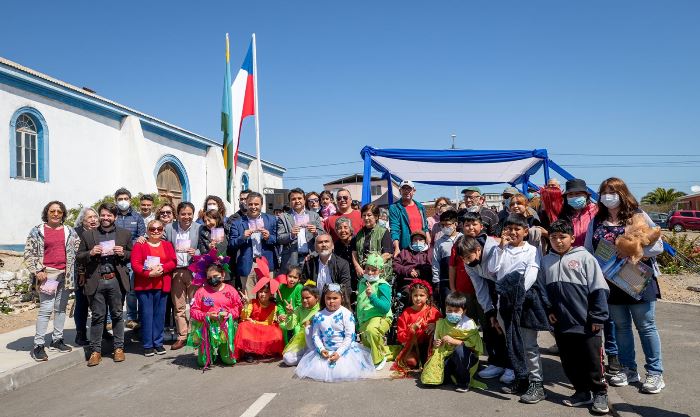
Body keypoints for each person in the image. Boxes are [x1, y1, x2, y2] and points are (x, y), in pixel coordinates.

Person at [584, 177, 665, 394]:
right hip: (611, 283)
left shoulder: (637, 215)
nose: (607, 195)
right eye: (604, 191)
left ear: (622, 193)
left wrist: (630, 252)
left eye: (612, 191)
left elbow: (658, 246)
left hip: (638, 279)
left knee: (646, 327)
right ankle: (629, 369)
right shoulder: (597, 220)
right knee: (621, 328)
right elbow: (588, 250)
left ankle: (655, 373)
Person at [542, 220, 610, 414]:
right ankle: (581, 392)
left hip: (587, 323)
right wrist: (549, 311)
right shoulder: (546, 261)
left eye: (562, 237)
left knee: (593, 361)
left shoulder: (585, 258)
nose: (558, 241)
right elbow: (543, 292)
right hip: (562, 324)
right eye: (553, 237)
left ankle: (599, 393)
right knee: (569, 361)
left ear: (572, 238)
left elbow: (599, 288)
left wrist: (598, 317)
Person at [488, 213, 549, 401]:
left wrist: (518, 293)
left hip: (524, 303)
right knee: (513, 343)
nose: (513, 232)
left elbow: (532, 273)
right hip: (504, 303)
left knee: (529, 345)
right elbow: (492, 270)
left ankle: (537, 384)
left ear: (525, 231)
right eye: (509, 229)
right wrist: (500, 247)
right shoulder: (501, 249)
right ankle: (522, 377)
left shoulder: (531, 250)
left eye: (517, 229)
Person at [454, 218, 511, 383]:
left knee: (506, 327)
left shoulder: (494, 249)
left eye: (469, 257)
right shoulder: (468, 262)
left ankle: (512, 366)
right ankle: (497, 362)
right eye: (463, 259)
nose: (467, 261)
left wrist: (499, 310)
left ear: (478, 250)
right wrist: (490, 311)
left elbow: (500, 276)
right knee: (491, 325)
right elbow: (480, 287)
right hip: (491, 289)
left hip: (506, 288)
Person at [77, 202, 133, 366]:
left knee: (117, 315)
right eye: (103, 214)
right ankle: (95, 351)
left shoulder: (124, 234)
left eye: (109, 215)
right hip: (96, 280)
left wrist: (123, 253)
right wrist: (90, 253)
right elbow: (79, 256)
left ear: (115, 217)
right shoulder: (89, 235)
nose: (105, 218)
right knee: (97, 316)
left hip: (115, 280)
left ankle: (118, 348)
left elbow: (131, 254)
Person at [25, 201, 81, 361]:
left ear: (63, 214)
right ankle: (38, 345)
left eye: (59, 211)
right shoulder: (38, 231)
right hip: (49, 275)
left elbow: (77, 248)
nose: (56, 214)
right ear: (47, 213)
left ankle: (57, 339)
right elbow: (29, 253)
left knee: (61, 308)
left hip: (66, 275)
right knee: (46, 309)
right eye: (52, 211)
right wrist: (37, 270)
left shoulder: (69, 231)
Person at [295, 283, 375, 382]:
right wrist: (321, 349)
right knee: (319, 370)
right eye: (328, 298)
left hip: (344, 351)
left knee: (344, 371)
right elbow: (316, 335)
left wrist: (339, 353)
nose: (331, 301)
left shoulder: (346, 314)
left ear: (341, 298)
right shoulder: (319, 315)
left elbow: (349, 336)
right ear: (323, 298)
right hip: (326, 351)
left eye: (335, 298)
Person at [420, 291, 485, 392]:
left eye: (456, 311)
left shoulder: (469, 324)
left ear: (464, 311)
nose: (452, 313)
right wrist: (436, 344)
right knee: (438, 379)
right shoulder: (441, 323)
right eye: (449, 310)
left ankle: (463, 383)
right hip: (448, 356)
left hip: (467, 357)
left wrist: (454, 341)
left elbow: (474, 347)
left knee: (460, 350)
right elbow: (436, 344)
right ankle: (452, 375)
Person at [130, 219, 177, 356]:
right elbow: (135, 264)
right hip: (145, 284)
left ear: (162, 231)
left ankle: (158, 342)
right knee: (146, 315)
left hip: (162, 285)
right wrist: (149, 273)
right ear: (147, 231)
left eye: (159, 229)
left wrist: (162, 269)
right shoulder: (140, 245)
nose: (156, 231)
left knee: (160, 315)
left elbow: (173, 261)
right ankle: (147, 344)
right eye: (152, 229)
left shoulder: (167, 245)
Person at [188, 263, 243, 368]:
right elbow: (193, 310)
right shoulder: (201, 292)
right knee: (203, 362)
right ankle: (210, 352)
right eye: (209, 277)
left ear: (222, 275)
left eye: (215, 276)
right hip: (207, 328)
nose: (212, 279)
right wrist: (206, 315)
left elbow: (238, 308)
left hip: (226, 328)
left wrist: (228, 314)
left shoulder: (231, 290)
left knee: (229, 361)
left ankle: (224, 353)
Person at [164, 201, 201, 350]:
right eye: (183, 214)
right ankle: (182, 336)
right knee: (178, 306)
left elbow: (204, 248)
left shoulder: (199, 228)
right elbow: (162, 246)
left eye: (189, 214)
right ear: (177, 215)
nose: (186, 217)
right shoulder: (169, 228)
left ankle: (195, 335)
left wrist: (197, 252)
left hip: (193, 270)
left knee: (194, 305)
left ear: (193, 214)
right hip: (177, 271)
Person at [229, 192, 278, 298]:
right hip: (248, 265)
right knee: (249, 300)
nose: (253, 207)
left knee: (268, 298)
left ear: (262, 204)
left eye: (256, 204)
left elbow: (278, 240)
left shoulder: (271, 219)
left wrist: (268, 237)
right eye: (250, 204)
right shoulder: (237, 223)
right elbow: (231, 245)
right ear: (246, 204)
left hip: (267, 264)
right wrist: (242, 237)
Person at [392, 279, 441, 376]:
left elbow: (444, 326)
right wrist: (411, 329)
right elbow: (401, 337)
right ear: (411, 296)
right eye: (415, 295)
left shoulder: (434, 312)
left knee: (431, 361)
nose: (418, 298)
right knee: (411, 362)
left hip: (430, 346)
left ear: (427, 297)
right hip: (413, 346)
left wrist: (436, 325)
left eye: (421, 295)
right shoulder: (406, 313)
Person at [114, 187, 146, 331]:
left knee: (131, 290)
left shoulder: (137, 217)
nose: (123, 202)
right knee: (115, 290)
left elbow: (141, 238)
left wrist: (127, 247)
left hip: (131, 259)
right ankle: (113, 318)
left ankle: (132, 317)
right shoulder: (113, 216)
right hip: (114, 259)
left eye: (125, 199)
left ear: (130, 200)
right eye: (120, 199)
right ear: (116, 201)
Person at [356, 253, 393, 370]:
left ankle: (379, 359)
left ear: (380, 271)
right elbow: (360, 303)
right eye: (368, 269)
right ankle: (392, 351)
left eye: (374, 270)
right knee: (369, 345)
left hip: (380, 317)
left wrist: (372, 296)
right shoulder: (362, 282)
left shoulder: (383, 285)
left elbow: (385, 308)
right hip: (365, 318)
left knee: (371, 331)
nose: (370, 272)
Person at [233, 284, 285, 362]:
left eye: (266, 292)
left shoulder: (274, 306)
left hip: (265, 327)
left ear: (271, 294)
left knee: (276, 331)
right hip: (252, 327)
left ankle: (266, 350)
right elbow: (243, 317)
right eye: (260, 292)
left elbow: (269, 322)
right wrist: (246, 305)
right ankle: (248, 352)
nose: (263, 294)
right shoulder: (252, 302)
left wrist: (255, 322)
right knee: (243, 326)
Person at [277, 188, 323, 271]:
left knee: (310, 284)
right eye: (293, 199)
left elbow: (323, 235)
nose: (297, 201)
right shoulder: (283, 217)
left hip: (311, 257)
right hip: (291, 259)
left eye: (299, 198)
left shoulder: (314, 215)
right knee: (292, 284)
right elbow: (279, 238)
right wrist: (291, 235)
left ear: (304, 200)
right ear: (290, 202)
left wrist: (316, 232)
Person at [73, 207, 99, 346]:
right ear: (82, 219)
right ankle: (80, 334)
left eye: (95, 217)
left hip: (97, 273)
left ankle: (101, 332)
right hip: (81, 274)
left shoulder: (99, 232)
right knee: (82, 304)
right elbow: (76, 256)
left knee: (99, 304)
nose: (93, 220)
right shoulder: (77, 233)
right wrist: (81, 273)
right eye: (90, 217)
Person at [301, 233, 353, 303]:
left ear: (332, 246)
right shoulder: (309, 264)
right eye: (320, 242)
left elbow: (346, 288)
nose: (324, 245)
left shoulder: (342, 264)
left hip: (335, 303)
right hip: (315, 304)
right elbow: (305, 285)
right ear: (316, 248)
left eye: (326, 241)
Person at [351, 204, 394, 285]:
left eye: (369, 215)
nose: (366, 218)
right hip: (363, 276)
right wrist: (358, 267)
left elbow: (387, 254)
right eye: (364, 215)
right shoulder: (358, 234)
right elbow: (354, 253)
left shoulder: (384, 232)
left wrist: (371, 268)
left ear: (376, 217)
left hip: (379, 276)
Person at [393, 231, 432, 315]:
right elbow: (395, 265)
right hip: (408, 282)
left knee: (427, 295)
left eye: (420, 239)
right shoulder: (404, 252)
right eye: (415, 239)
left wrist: (420, 272)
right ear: (411, 241)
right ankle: (408, 317)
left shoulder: (430, 252)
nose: (418, 242)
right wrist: (408, 270)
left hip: (425, 282)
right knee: (408, 294)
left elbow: (432, 266)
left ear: (425, 241)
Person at [280, 284, 321, 366]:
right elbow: (290, 326)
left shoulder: (321, 309)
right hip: (303, 340)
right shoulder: (299, 309)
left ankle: (312, 356)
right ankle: (308, 358)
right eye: (303, 298)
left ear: (316, 298)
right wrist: (290, 314)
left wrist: (312, 321)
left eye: (307, 298)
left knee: (308, 328)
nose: (304, 300)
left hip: (318, 341)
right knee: (287, 358)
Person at [389, 180, 430, 256]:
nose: (406, 191)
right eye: (404, 188)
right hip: (406, 248)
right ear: (400, 191)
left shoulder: (420, 207)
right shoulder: (394, 208)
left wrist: (428, 240)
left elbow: (425, 227)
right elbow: (395, 229)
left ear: (414, 191)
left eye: (409, 189)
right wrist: (397, 247)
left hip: (421, 246)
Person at [431, 210, 462, 311]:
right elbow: (436, 262)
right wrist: (436, 281)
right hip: (445, 281)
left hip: (462, 280)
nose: (445, 227)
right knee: (448, 307)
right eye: (442, 225)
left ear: (455, 224)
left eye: (447, 225)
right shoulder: (439, 242)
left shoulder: (463, 238)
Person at [561, 178, 598, 247]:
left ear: (586, 195)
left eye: (578, 194)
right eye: (570, 194)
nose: (574, 197)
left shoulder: (596, 211)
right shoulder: (563, 214)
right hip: (572, 255)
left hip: (593, 255)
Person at [276, 265, 303, 343]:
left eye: (295, 277)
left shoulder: (299, 287)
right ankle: (285, 347)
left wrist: (292, 311)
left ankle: (296, 348)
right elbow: (279, 302)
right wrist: (281, 314)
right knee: (282, 326)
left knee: (296, 329)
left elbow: (300, 304)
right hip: (284, 316)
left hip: (296, 316)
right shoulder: (281, 287)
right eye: (290, 276)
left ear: (299, 279)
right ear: (286, 276)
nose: (292, 279)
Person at [332, 217, 357, 292]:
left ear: (350, 229)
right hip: (344, 281)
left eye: (345, 227)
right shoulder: (335, 246)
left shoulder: (358, 241)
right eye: (339, 228)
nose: (343, 230)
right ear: (336, 231)